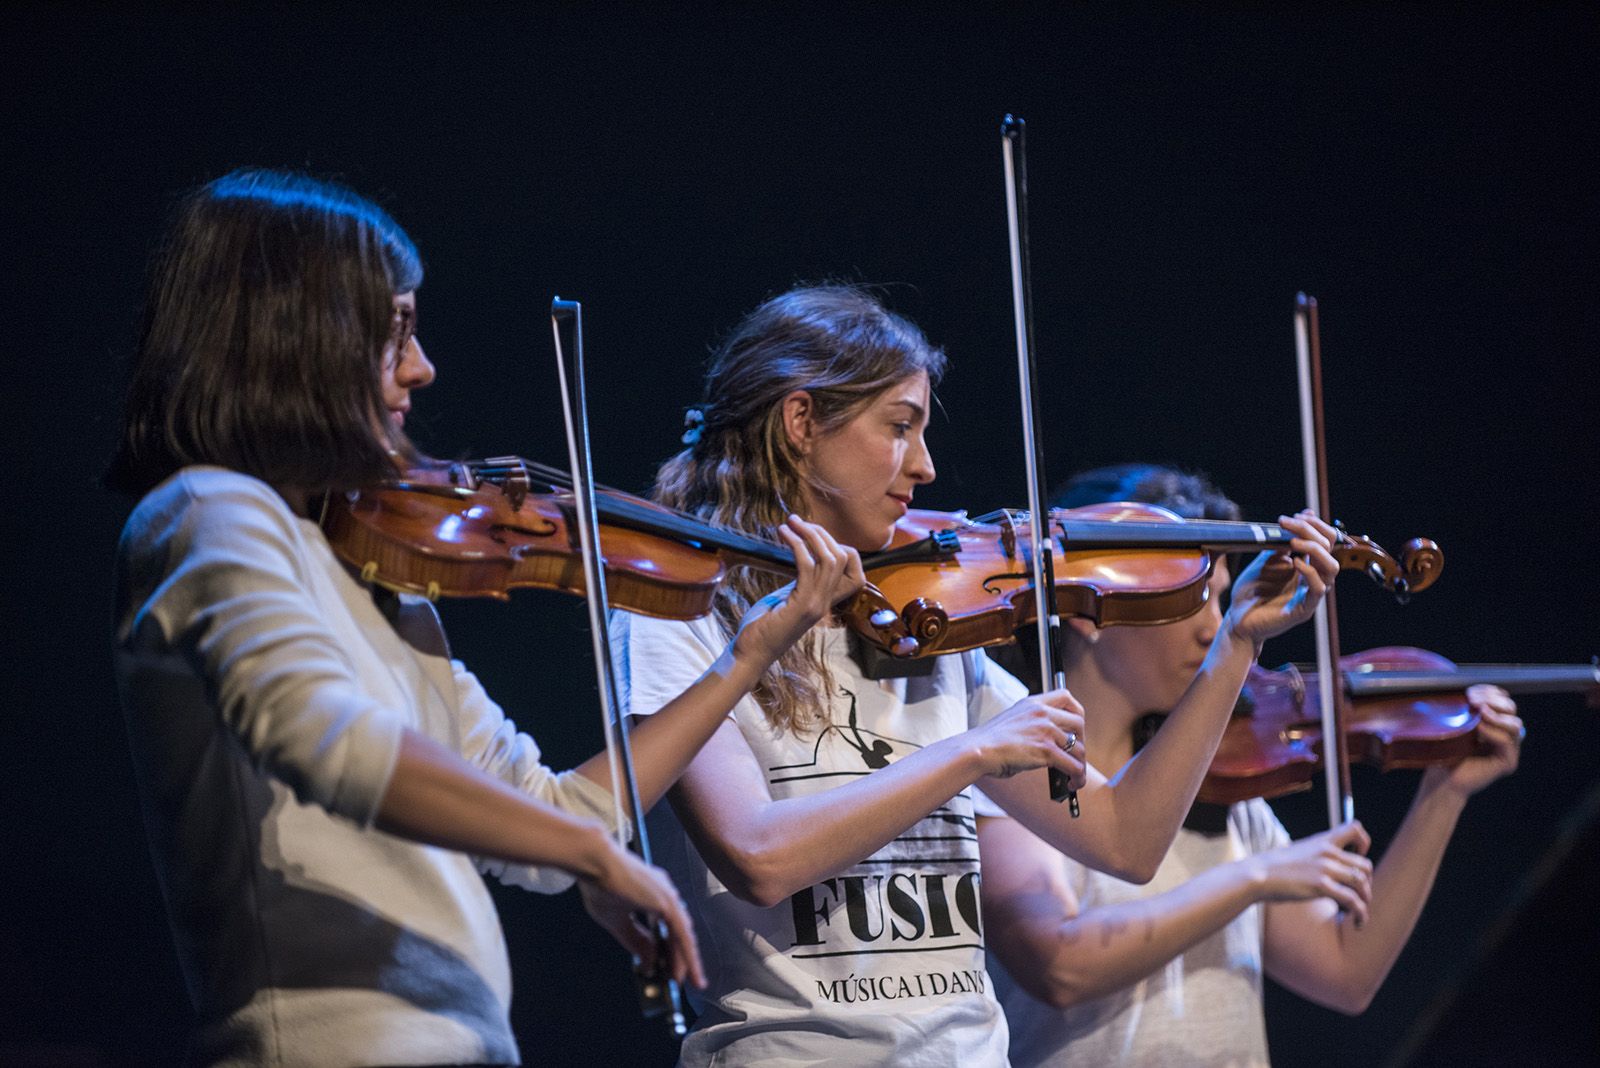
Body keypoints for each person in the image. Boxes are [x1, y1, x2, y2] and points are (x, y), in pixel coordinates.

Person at [107, 170, 865, 1066]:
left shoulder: (380, 578)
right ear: (295, 340)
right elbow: (328, 742)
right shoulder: (211, 513)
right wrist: (590, 853)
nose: (422, 368)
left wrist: (742, 660)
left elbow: (553, 814)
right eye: (394, 333)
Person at [610, 287, 1341, 1066]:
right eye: (899, 427)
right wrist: (971, 752)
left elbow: (1125, 840)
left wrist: (1236, 646)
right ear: (801, 424)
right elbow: (759, 856)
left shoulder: (926, 629)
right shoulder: (677, 615)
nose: (924, 466)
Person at [979, 463, 1525, 1068]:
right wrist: (1253, 877)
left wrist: (1443, 795)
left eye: (1218, 597)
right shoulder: (1011, 775)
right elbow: (1061, 966)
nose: (1212, 627)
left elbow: (1346, 970)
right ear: (1085, 607)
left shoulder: (1216, 789)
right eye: (1189, 597)